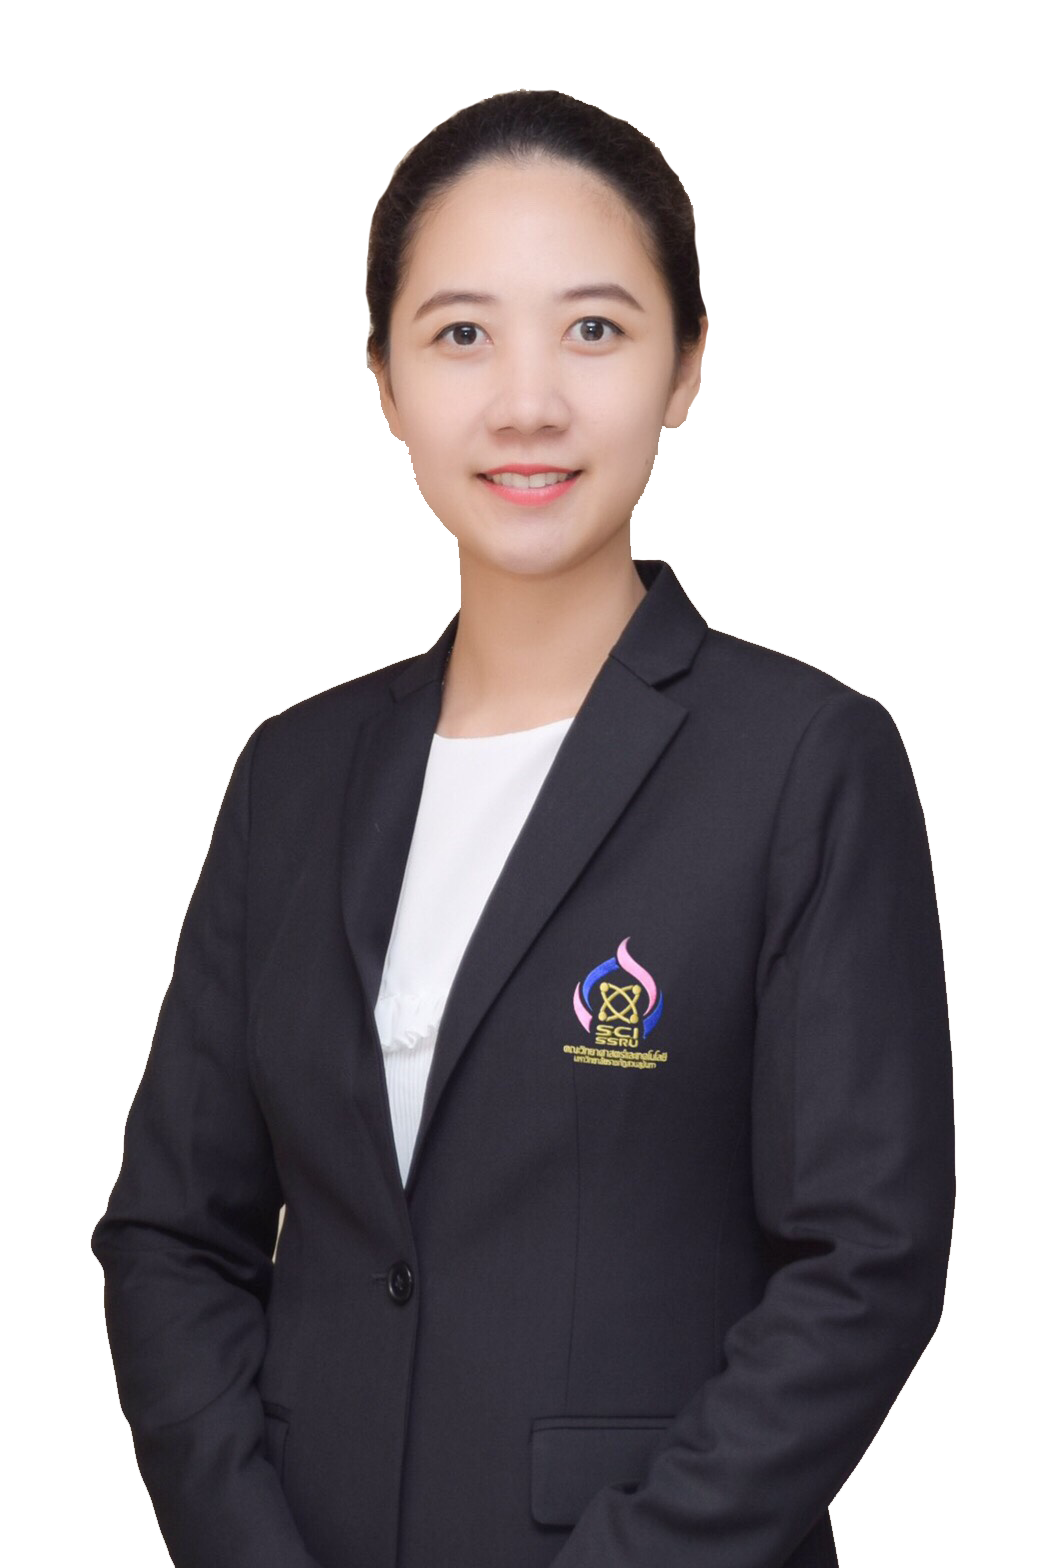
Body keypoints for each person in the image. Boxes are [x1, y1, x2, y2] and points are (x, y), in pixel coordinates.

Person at [91, 88, 956, 1568]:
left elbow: (864, 1265)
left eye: (596, 329)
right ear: (384, 379)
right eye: (461, 335)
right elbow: (173, 1235)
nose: (527, 403)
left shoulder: (803, 763)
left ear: (688, 364)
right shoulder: (292, 776)